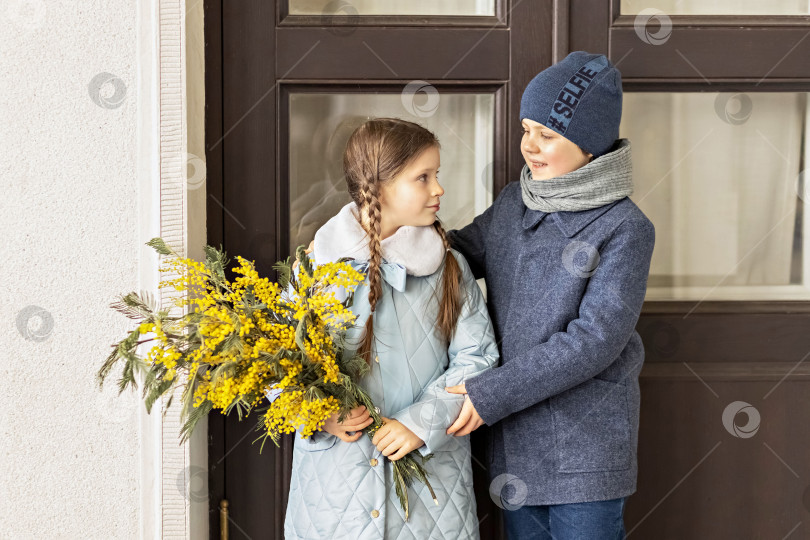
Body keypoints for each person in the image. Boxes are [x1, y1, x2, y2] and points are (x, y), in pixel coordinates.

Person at [443, 51, 656, 539]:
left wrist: (492, 392)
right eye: (526, 129)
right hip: (514, 445)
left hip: (585, 448)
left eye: (548, 135)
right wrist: (381, 242)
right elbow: (454, 256)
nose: (529, 147)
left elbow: (594, 340)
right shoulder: (514, 201)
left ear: (590, 145)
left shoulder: (625, 227)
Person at [278, 117, 499, 539]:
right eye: (423, 177)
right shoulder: (314, 268)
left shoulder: (449, 268)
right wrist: (320, 414)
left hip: (431, 497)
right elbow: (276, 361)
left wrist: (421, 423)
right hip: (333, 494)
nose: (439, 189)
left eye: (438, 175)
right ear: (378, 188)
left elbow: (478, 359)